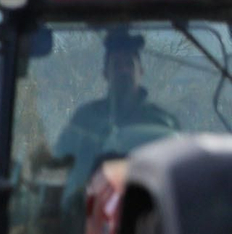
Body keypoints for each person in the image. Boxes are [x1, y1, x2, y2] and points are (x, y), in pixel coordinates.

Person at [52, 28, 179, 163]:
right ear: (105, 73)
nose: (123, 70)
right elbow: (60, 167)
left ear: (140, 71)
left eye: (129, 64)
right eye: (116, 64)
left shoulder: (162, 123)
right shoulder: (84, 120)